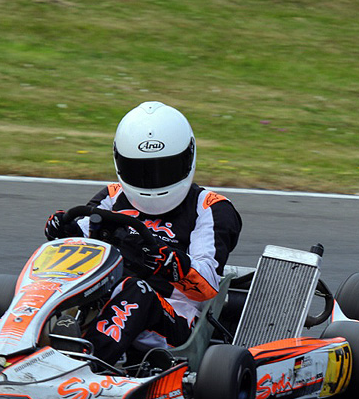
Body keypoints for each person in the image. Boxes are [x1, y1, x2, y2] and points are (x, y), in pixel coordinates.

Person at [44, 101, 242, 364]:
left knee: (137, 289)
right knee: (49, 272)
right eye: (140, 171)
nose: (152, 182)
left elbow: (206, 286)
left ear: (188, 157)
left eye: (165, 169)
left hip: (174, 320)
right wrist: (64, 232)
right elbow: (81, 245)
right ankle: (5, 337)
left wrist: (168, 263)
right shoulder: (113, 196)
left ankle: (79, 361)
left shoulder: (209, 207)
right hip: (100, 300)